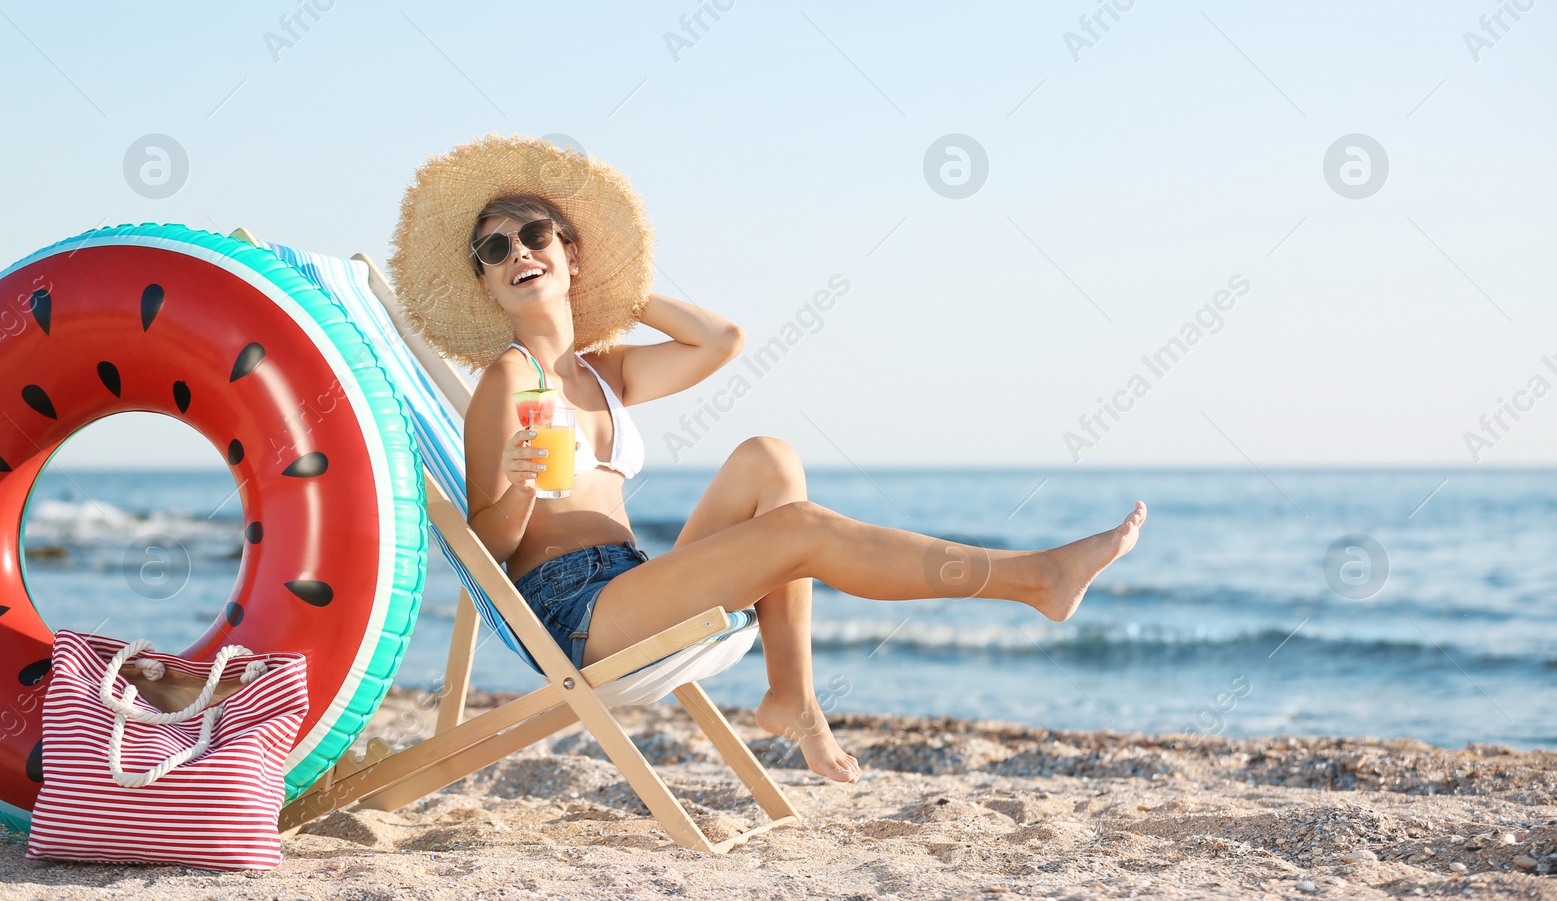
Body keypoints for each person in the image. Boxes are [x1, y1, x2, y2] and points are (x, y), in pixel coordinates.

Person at [389, 134, 1146, 784]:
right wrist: (520, 484)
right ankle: (1034, 578)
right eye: (496, 248)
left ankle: (792, 697)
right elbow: (485, 547)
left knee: (769, 458)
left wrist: (615, 285)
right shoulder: (509, 379)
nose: (519, 251)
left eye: (536, 236)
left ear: (567, 253)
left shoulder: (601, 371)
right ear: (486, 282)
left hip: (631, 579)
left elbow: (720, 342)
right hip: (574, 612)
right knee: (801, 529)